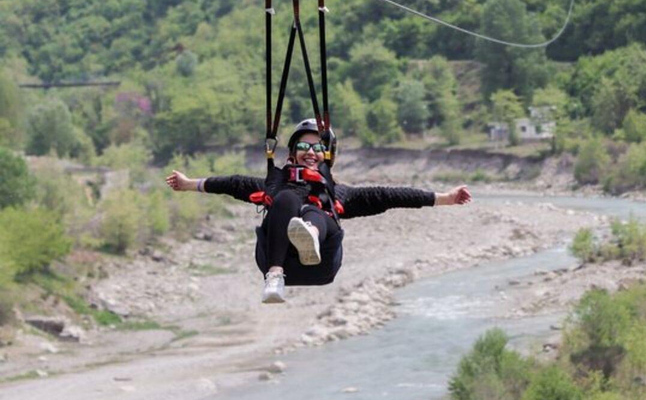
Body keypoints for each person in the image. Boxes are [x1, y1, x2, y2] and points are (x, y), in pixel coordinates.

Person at [166, 118, 471, 304]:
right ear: (292, 153)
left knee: (317, 212)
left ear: (327, 157)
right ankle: (275, 277)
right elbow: (231, 183)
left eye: (316, 149)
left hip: (322, 261)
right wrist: (189, 184)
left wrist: (445, 197)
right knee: (285, 201)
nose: (310, 153)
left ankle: (309, 234)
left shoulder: (338, 193)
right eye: (303, 147)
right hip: (277, 260)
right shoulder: (274, 185)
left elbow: (389, 195)